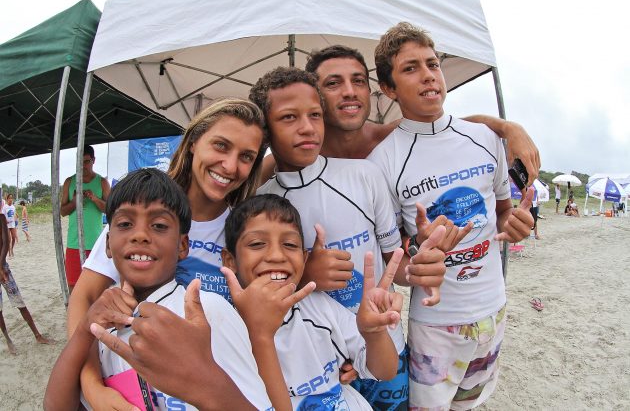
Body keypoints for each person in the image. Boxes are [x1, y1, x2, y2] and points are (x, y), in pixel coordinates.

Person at [250, 66, 448, 410]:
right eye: (288, 118)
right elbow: (258, 298)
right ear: (266, 132)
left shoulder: (364, 176)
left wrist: (422, 257)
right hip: (317, 366)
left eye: (314, 114)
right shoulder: (258, 206)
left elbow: (395, 267)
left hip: (384, 346)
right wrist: (305, 275)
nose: (307, 127)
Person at [367, 22, 534, 410]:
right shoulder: (383, 161)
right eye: (411, 68)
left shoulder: (486, 138)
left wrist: (516, 225)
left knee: (472, 405)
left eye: (432, 64)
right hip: (437, 325)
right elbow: (395, 257)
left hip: (495, 308)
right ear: (389, 89)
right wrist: (417, 265)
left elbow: (504, 212)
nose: (428, 75)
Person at [67, 98, 268, 409]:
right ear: (192, 143)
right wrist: (92, 385)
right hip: (133, 389)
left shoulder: (243, 232)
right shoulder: (143, 210)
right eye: (220, 146)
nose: (230, 165)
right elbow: (83, 299)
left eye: (246, 157)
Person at [220, 193, 401, 409]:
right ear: (230, 260)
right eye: (257, 243)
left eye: (289, 244)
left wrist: (374, 334)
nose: (277, 256)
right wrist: (261, 335)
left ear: (305, 259)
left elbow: (385, 371)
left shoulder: (318, 307)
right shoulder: (223, 331)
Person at [260, 45, 541, 183]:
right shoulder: (288, 159)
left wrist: (509, 128)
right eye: (333, 83)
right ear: (315, 96)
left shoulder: (387, 138)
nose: (350, 91)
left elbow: (453, 125)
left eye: (359, 80)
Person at [60, 145, 111, 293]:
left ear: (93, 160)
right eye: (80, 162)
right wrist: (75, 201)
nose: (83, 166)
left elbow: (110, 210)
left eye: (87, 161)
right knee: (73, 286)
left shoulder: (102, 182)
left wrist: (95, 199)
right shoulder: (69, 182)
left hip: (96, 244)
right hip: (74, 243)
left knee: (97, 288)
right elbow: (63, 211)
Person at [1, 206, 51, 355]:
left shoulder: (1, 218)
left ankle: (37, 335)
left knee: (19, 301)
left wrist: (0, 265)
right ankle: (8, 339)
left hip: (3, 267)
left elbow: (6, 241)